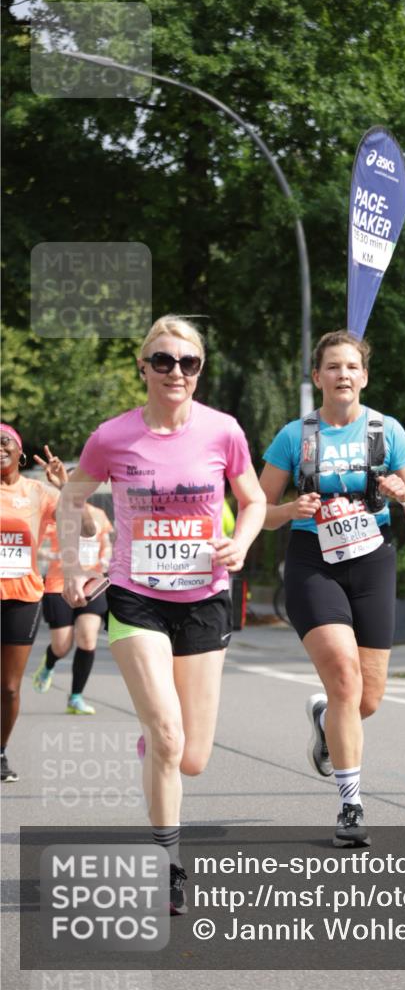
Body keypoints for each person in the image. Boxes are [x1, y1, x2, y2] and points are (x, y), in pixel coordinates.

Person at [58, 315, 266, 914]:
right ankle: (168, 863)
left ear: (199, 371)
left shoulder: (223, 431)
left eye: (189, 363)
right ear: (144, 367)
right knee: (170, 738)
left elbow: (252, 499)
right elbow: (72, 497)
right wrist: (71, 568)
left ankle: (157, 742)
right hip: (135, 595)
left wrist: (244, 541)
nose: (177, 372)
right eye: (165, 361)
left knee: (191, 757)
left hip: (205, 597)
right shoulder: (113, 436)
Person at [260, 330, 405, 847]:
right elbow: (257, 511)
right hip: (315, 562)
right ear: (318, 378)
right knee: (342, 675)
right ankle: (351, 807)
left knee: (367, 698)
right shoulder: (295, 436)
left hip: (372, 560)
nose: (343, 375)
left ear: (364, 375)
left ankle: (325, 719)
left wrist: (403, 495)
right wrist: (291, 510)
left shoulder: (387, 431)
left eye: (352, 367)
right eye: (332, 367)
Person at [0, 430, 77, 781]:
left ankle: (0, 753)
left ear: (21, 454)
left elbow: (86, 529)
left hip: (22, 596)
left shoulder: (37, 493)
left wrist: (66, 489)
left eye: (5, 440)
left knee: (10, 687)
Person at [33, 490, 113, 714]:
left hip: (91, 582)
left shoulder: (97, 514)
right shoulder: (56, 514)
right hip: (60, 583)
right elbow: (36, 545)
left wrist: (106, 558)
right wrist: (53, 556)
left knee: (88, 640)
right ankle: (49, 664)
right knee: (62, 645)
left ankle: (76, 697)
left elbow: (105, 542)